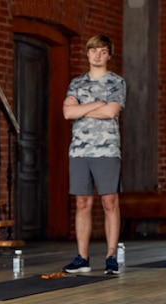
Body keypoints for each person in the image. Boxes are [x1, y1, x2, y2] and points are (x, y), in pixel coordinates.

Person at [62, 35, 126, 276]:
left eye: (102, 51)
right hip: (79, 150)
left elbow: (111, 111)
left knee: (110, 202)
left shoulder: (116, 83)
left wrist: (82, 109)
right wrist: (97, 104)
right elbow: (67, 113)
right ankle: (82, 257)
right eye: (93, 50)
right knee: (82, 203)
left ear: (109, 55)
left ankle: (111, 257)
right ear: (87, 54)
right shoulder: (76, 83)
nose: (97, 55)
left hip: (107, 150)